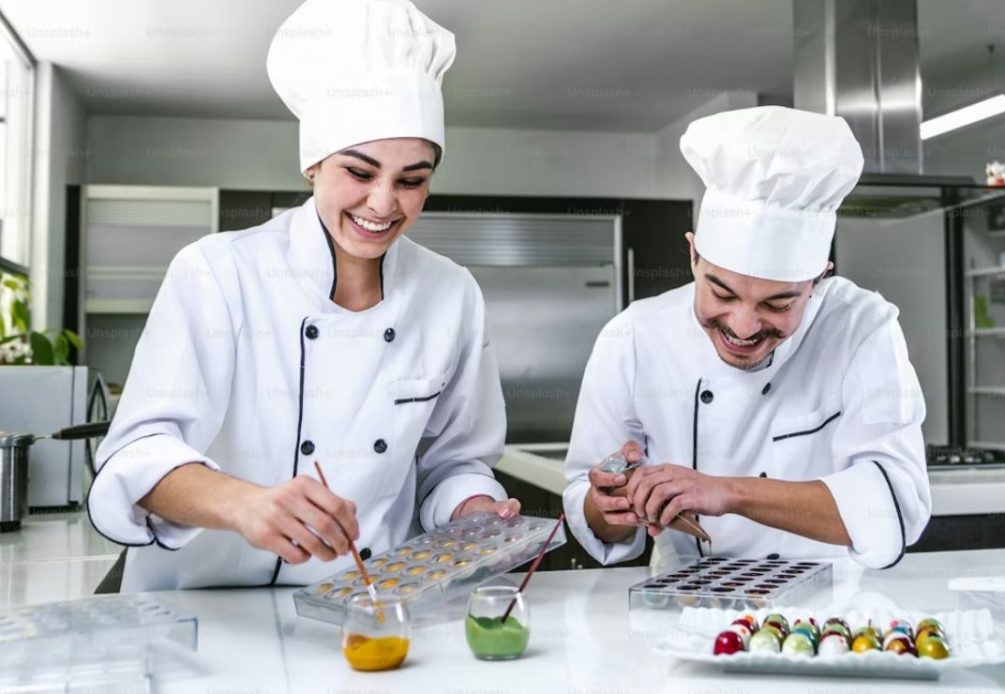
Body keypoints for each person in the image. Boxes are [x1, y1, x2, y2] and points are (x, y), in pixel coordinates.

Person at [88, 0, 519, 592]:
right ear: (313, 163)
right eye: (360, 173)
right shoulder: (219, 271)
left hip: (363, 611)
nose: (384, 204)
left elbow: (453, 463)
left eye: (412, 180)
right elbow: (138, 456)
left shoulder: (452, 295)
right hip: (201, 609)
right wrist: (245, 504)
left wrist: (474, 513)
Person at [563, 106, 931, 572]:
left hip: (831, 619)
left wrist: (725, 491)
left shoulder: (862, 327)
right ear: (694, 255)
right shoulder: (634, 335)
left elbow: (896, 504)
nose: (743, 327)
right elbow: (594, 517)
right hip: (686, 610)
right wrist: (613, 502)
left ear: (818, 280)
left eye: (777, 304)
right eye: (721, 292)